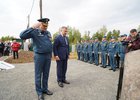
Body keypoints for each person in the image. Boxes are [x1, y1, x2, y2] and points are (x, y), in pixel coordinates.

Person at [20, 18, 53, 100]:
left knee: (46, 74)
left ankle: (45, 89)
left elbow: (49, 43)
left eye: (46, 26)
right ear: (39, 24)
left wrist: (51, 53)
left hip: (47, 56)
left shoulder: (48, 33)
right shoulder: (34, 32)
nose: (45, 27)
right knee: (38, 75)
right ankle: (39, 92)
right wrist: (32, 27)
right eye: (44, 25)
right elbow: (21, 35)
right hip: (39, 56)